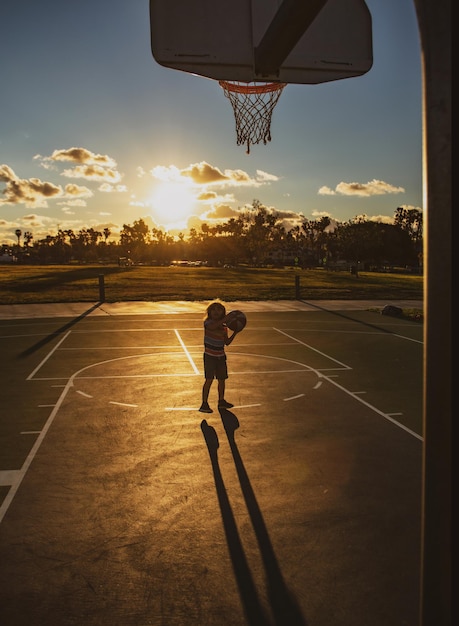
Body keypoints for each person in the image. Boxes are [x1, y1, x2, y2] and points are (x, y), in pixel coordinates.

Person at [199, 300, 239, 413]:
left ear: (223, 312)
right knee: (209, 379)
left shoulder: (224, 327)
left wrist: (235, 332)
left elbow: (227, 342)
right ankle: (204, 403)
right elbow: (212, 327)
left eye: (219, 310)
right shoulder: (208, 323)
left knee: (222, 379)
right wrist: (226, 319)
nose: (216, 311)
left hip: (221, 357)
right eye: (214, 309)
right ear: (209, 312)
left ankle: (221, 401)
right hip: (210, 357)